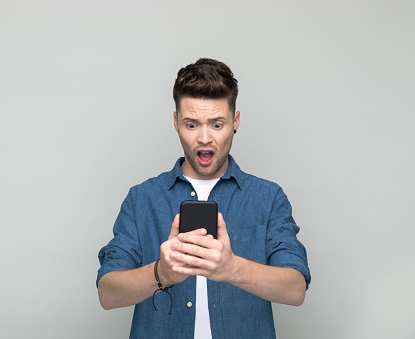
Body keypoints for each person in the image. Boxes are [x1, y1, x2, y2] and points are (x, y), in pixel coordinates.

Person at [97, 58, 311, 338]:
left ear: (235, 121)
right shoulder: (142, 199)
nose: (205, 138)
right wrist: (161, 273)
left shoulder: (268, 198)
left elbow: (295, 288)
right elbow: (107, 294)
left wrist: (232, 268)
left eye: (217, 124)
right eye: (191, 124)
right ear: (176, 122)